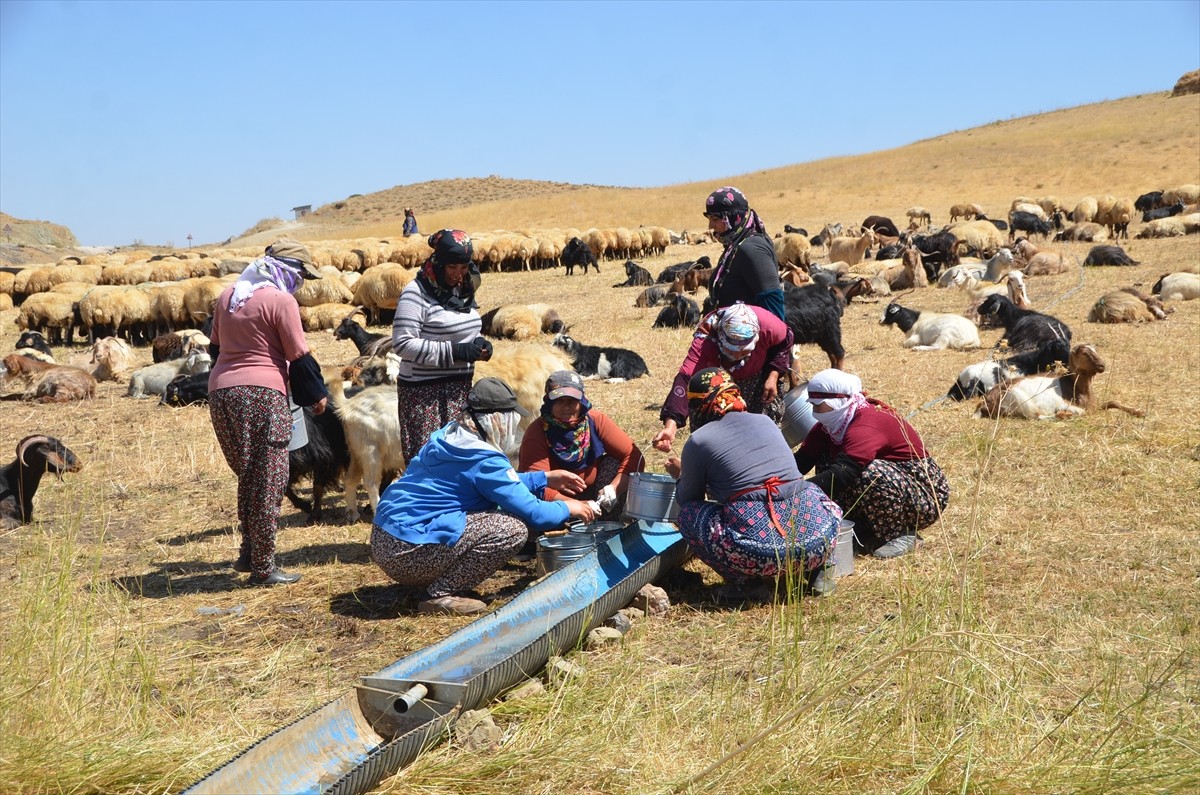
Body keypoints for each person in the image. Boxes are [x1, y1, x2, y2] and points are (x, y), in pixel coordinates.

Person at [370, 378, 598, 615]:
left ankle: (426, 577)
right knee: (511, 530)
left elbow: (494, 482)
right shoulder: (484, 458)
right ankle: (439, 594)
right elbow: (536, 513)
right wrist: (571, 507)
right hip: (407, 552)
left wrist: (544, 478)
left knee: (494, 516)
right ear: (496, 419)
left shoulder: (451, 435)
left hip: (385, 538)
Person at [207, 238, 330, 586]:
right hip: (262, 393)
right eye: (301, 275)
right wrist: (317, 395)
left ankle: (249, 552)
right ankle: (263, 567)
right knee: (270, 478)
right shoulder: (281, 300)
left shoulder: (229, 296)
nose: (301, 283)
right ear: (288, 271)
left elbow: (215, 349)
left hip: (221, 393)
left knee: (249, 474)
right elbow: (298, 355)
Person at [664, 368, 842, 601]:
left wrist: (682, 474)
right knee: (809, 490)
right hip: (818, 541)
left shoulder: (699, 440)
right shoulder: (766, 421)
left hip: (761, 554)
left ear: (699, 407)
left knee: (689, 515)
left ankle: (747, 585)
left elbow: (689, 499)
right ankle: (820, 570)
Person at [793, 369, 950, 559]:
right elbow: (802, 460)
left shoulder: (867, 422)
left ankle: (901, 533)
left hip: (923, 496)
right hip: (892, 489)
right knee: (826, 459)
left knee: (868, 472)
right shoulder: (829, 427)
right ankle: (864, 528)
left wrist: (799, 493)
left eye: (819, 405)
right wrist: (775, 483)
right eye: (812, 405)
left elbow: (843, 473)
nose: (815, 412)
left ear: (838, 402)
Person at [392, 229, 492, 464]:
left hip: (459, 391)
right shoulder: (416, 293)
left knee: (459, 462)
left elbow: (464, 328)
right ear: (439, 263)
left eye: (464, 267)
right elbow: (403, 343)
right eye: (452, 267)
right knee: (430, 464)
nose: (458, 274)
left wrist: (478, 342)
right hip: (425, 396)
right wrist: (454, 351)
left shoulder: (462, 290)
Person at [652, 302, 793, 453]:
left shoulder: (769, 326)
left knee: (761, 432)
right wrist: (670, 427)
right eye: (731, 352)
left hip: (758, 379)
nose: (737, 357)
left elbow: (784, 341)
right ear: (720, 339)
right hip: (719, 384)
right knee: (717, 440)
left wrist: (773, 375)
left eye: (744, 352)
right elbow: (685, 380)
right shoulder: (705, 341)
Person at [519, 370, 646, 522]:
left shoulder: (595, 421)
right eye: (559, 401)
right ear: (549, 403)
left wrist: (614, 488)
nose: (566, 407)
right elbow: (536, 485)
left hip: (595, 497)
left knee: (614, 463)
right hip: (555, 504)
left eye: (572, 401)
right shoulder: (537, 432)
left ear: (581, 401)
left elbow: (633, 456)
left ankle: (609, 525)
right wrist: (575, 506)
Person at [702, 187, 785, 321]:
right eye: (709, 219)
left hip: (752, 333)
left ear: (733, 216)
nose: (710, 226)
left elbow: (774, 311)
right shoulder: (735, 246)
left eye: (715, 219)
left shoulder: (752, 249)